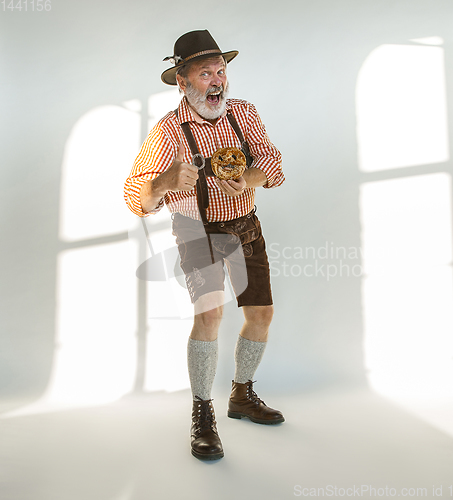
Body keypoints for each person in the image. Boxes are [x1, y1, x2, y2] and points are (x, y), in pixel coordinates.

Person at [124, 29, 285, 461]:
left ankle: (242, 395)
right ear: (181, 81)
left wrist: (248, 180)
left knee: (261, 313)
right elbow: (135, 196)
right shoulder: (168, 131)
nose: (217, 81)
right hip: (196, 229)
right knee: (210, 314)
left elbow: (272, 162)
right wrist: (165, 181)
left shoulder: (244, 114)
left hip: (245, 224)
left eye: (221, 71)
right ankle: (202, 413)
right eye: (204, 73)